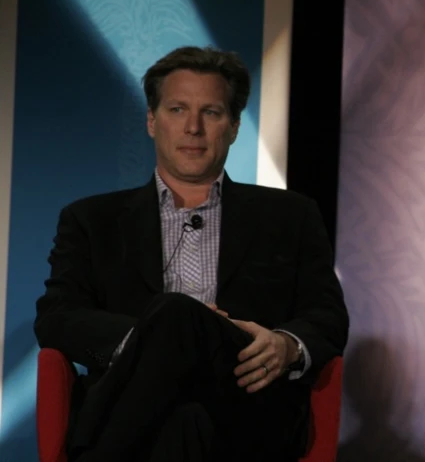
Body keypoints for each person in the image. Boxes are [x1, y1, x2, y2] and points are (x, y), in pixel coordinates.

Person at [34, 46, 349, 462]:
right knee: (184, 409)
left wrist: (287, 346)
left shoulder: (291, 216)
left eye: (212, 113)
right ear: (151, 120)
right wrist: (153, 340)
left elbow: (327, 316)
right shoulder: (91, 219)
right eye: (178, 109)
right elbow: (57, 317)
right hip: (158, 418)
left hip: (249, 403)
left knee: (178, 317)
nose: (194, 128)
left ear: (235, 126)